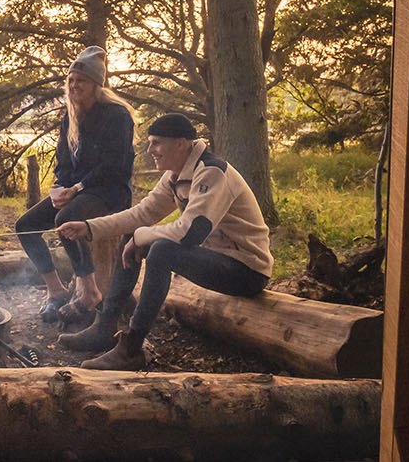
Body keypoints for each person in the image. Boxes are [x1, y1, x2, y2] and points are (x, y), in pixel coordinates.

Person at [54, 112, 272, 370]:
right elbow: (141, 214)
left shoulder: (212, 172)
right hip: (217, 258)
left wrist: (141, 236)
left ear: (180, 143)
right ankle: (105, 326)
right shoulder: (176, 174)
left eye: (156, 143)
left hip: (246, 271)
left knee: (161, 250)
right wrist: (89, 227)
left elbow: (191, 232)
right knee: (136, 234)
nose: (150, 150)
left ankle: (131, 348)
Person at [15, 46, 135, 325]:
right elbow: (64, 162)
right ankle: (55, 290)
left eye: (81, 80)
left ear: (96, 84)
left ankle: (90, 292)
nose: (74, 85)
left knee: (65, 219)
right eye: (70, 80)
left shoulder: (117, 116)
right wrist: (60, 188)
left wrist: (77, 188)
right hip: (78, 191)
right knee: (25, 226)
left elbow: (114, 166)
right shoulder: (70, 116)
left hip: (110, 192)